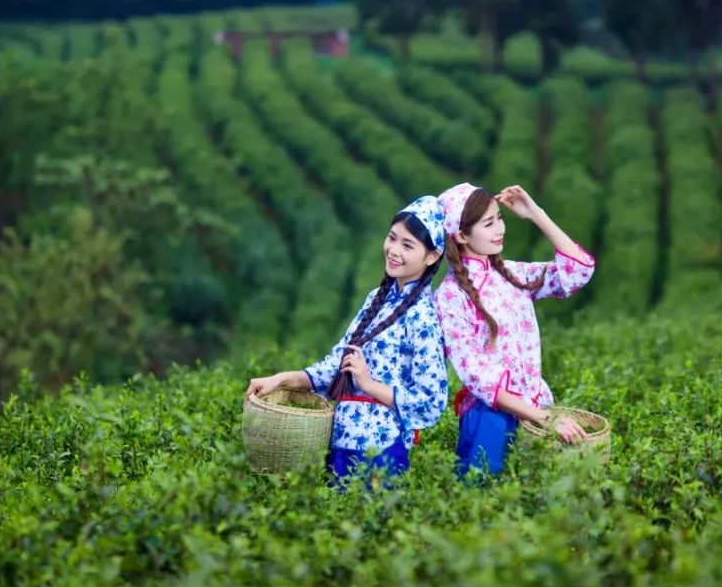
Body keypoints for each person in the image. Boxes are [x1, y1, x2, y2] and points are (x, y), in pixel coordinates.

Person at [245, 196, 449, 487]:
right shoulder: (376, 300)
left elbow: (432, 399)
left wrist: (368, 385)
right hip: (341, 442)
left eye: (408, 245)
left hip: (381, 451)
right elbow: (337, 364)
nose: (393, 250)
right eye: (392, 238)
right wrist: (280, 380)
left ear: (431, 256)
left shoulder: (422, 317)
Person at [434, 182, 597, 480]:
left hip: (536, 410)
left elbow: (578, 272)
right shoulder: (450, 296)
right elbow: (476, 375)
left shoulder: (511, 274)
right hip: (491, 420)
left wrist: (536, 214)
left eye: (500, 218)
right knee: (485, 508)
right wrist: (544, 418)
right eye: (488, 223)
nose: (500, 229)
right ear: (461, 235)